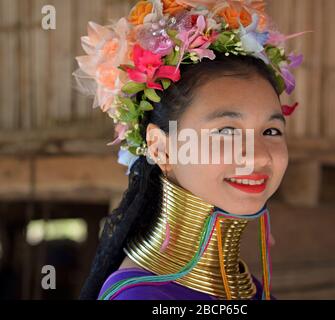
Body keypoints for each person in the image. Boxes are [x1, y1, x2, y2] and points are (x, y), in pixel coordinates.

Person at [74, 0, 305, 300]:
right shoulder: (142, 297)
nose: (260, 155)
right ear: (161, 149)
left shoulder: (250, 290)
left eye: (271, 131)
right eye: (226, 131)